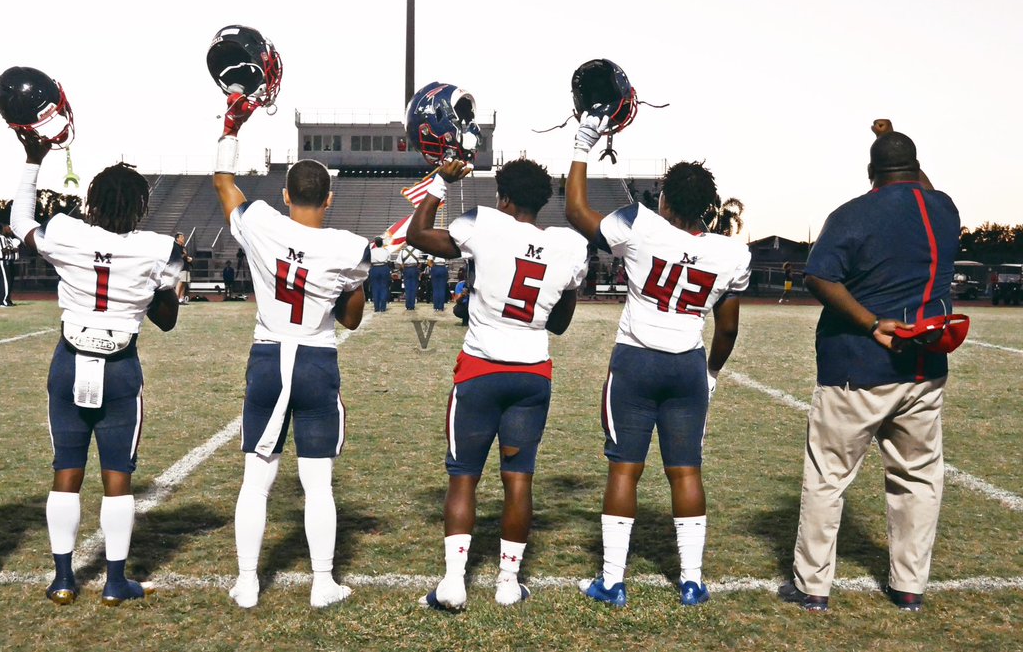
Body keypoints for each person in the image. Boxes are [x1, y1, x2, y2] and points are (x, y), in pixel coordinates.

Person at [565, 116, 751, 608]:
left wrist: (583, 144)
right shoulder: (730, 254)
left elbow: (576, 210)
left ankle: (612, 580)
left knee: (624, 470)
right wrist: (711, 374)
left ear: (665, 201)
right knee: (686, 471)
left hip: (636, 361)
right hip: (687, 364)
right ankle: (691, 580)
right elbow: (727, 329)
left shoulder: (641, 225)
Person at [779, 129, 958, 613]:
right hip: (923, 367)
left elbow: (818, 276)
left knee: (828, 477)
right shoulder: (943, 208)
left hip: (856, 366)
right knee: (918, 478)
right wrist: (894, 137)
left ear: (870, 172)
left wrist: (869, 321)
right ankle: (909, 586)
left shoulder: (852, 213)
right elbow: (921, 188)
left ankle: (813, 587)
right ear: (917, 167)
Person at [10, 132, 182, 606]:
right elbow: (166, 320)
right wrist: (165, 284)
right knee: (117, 476)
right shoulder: (158, 248)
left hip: (68, 362)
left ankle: (63, 578)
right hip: (120, 366)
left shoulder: (66, 231)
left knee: (65, 469)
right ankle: (113, 582)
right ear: (141, 207)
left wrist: (32, 159)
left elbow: (20, 220)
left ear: (92, 201)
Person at [407, 158, 587, 609]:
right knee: (519, 480)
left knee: (463, 478)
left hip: (482, 368)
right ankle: (508, 582)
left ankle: (453, 582)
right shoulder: (566, 246)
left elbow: (418, 234)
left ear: (503, 197)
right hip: (531, 372)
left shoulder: (486, 224)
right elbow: (561, 325)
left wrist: (442, 183)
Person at [213, 117, 369, 609]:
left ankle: (246, 582)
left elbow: (223, 181)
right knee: (317, 481)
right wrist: (352, 279)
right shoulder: (345, 245)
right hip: (316, 359)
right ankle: (322, 583)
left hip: (267, 354)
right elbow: (350, 319)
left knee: (256, 481)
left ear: (284, 194)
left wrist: (231, 127)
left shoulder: (260, 221)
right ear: (328, 200)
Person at [0, 223, 20, 307]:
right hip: (1, 261)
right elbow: (4, 250)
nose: (10, 231)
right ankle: (3, 301)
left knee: (1, 281)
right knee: (4, 281)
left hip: (0, 261)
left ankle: (1, 300)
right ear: (2, 229)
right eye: (8, 229)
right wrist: (14, 249)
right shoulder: (0, 237)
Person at [369, 236, 392, 312]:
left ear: (375, 243)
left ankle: (376, 307)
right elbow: (389, 260)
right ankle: (383, 307)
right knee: (384, 287)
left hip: (374, 268)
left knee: (375, 288)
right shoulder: (386, 251)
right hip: (384, 268)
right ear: (382, 243)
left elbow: (368, 261)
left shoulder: (371, 251)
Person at [399, 244, 421, 310]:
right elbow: (420, 263)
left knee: (407, 288)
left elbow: (400, 264)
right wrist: (417, 269)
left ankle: (408, 305)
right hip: (414, 269)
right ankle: (412, 305)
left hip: (406, 269)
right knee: (414, 288)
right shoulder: (417, 251)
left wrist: (403, 270)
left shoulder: (402, 251)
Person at [174, 232, 194, 304]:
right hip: (180, 267)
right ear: (177, 239)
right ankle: (176, 298)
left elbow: (184, 256)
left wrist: (188, 258)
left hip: (186, 266)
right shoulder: (175, 247)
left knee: (184, 283)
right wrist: (185, 255)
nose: (183, 239)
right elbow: (177, 257)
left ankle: (181, 298)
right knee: (180, 283)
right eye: (181, 237)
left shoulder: (183, 247)